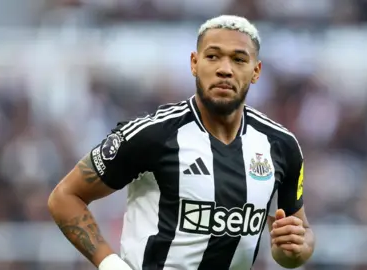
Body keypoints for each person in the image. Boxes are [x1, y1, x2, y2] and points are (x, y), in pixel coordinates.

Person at [48, 15, 315, 270]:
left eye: (238, 59)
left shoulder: (281, 146)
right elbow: (65, 197)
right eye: (213, 56)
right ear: (194, 63)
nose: (224, 69)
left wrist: (292, 249)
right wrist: (111, 264)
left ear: (256, 71)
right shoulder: (152, 134)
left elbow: (298, 239)